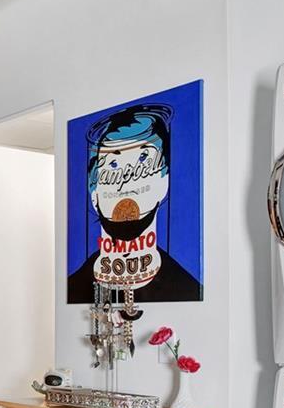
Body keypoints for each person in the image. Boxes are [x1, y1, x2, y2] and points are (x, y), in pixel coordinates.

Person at [66, 102, 202, 303]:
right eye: (113, 165)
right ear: (94, 193)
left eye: (142, 162)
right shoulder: (75, 286)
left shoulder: (186, 287)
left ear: (164, 183)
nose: (126, 187)